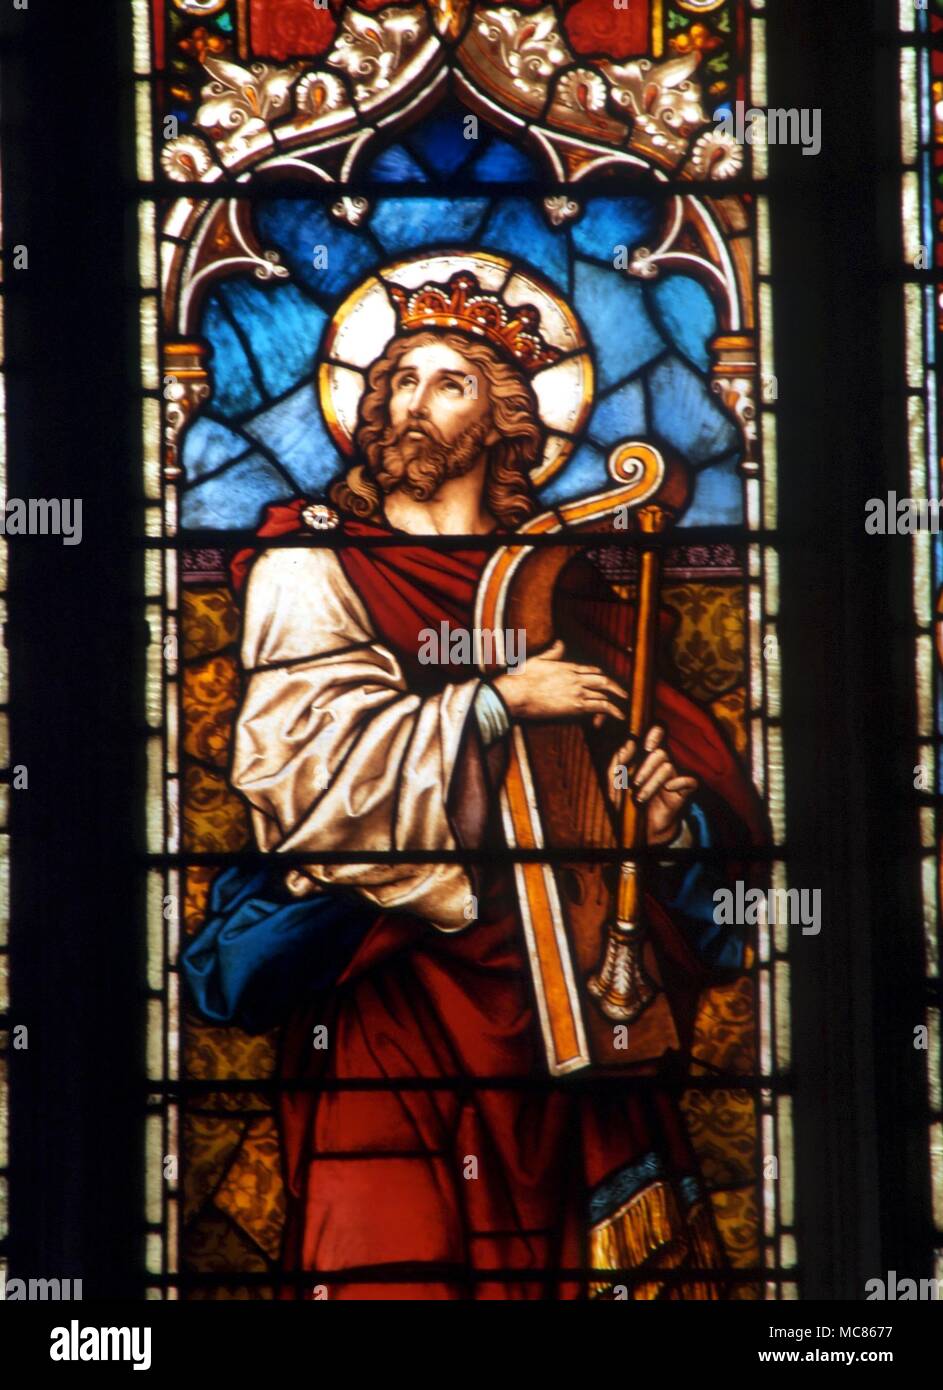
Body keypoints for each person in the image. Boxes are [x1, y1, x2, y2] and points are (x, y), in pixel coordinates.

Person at [220, 280, 766, 1299]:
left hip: (564, 1002)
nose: (412, 402)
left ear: (509, 423)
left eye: (450, 382)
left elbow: (695, 808)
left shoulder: (561, 591)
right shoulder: (308, 568)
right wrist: (493, 702)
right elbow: (299, 785)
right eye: (398, 381)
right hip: (386, 992)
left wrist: (651, 826)